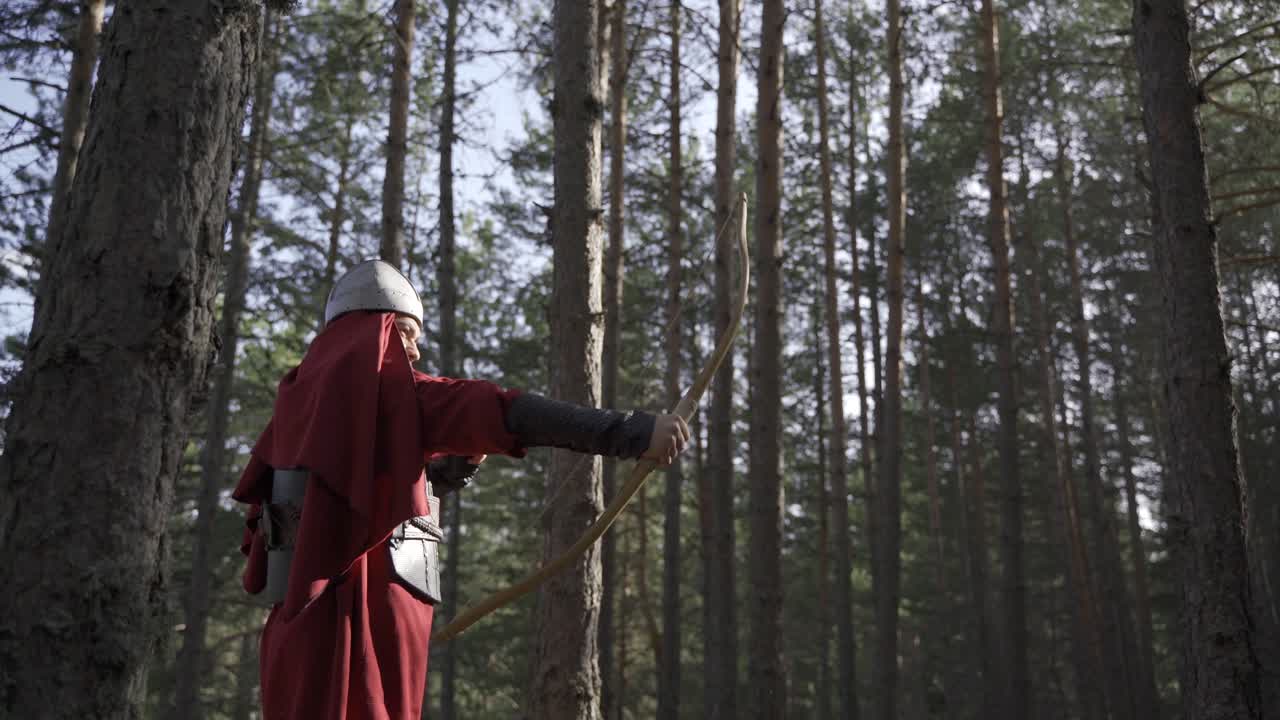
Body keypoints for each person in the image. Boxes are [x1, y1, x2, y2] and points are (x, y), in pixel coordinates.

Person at [233, 260, 689, 720]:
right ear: (370, 331)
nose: (413, 352)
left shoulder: (291, 415)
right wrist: (633, 430)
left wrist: (444, 474)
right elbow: (509, 413)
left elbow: (348, 506)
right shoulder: (395, 394)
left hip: (295, 642)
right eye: (405, 333)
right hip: (361, 631)